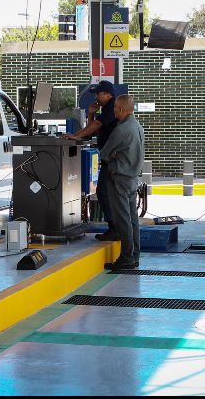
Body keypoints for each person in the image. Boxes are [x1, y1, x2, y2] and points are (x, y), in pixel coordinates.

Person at [63, 80, 118, 240]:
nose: (96, 96)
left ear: (108, 94)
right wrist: (91, 113)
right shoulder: (105, 109)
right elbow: (91, 131)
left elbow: (96, 125)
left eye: (98, 93)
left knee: (104, 192)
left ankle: (115, 228)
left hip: (114, 159)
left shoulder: (112, 107)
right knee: (104, 192)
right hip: (108, 158)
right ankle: (115, 227)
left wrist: (75, 135)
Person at [100, 95, 145, 270]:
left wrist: (113, 156)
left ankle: (126, 257)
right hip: (132, 178)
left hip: (119, 178)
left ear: (120, 109)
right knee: (132, 218)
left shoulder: (121, 130)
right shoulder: (138, 127)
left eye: (114, 109)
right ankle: (134, 255)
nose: (113, 111)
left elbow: (104, 154)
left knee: (122, 219)